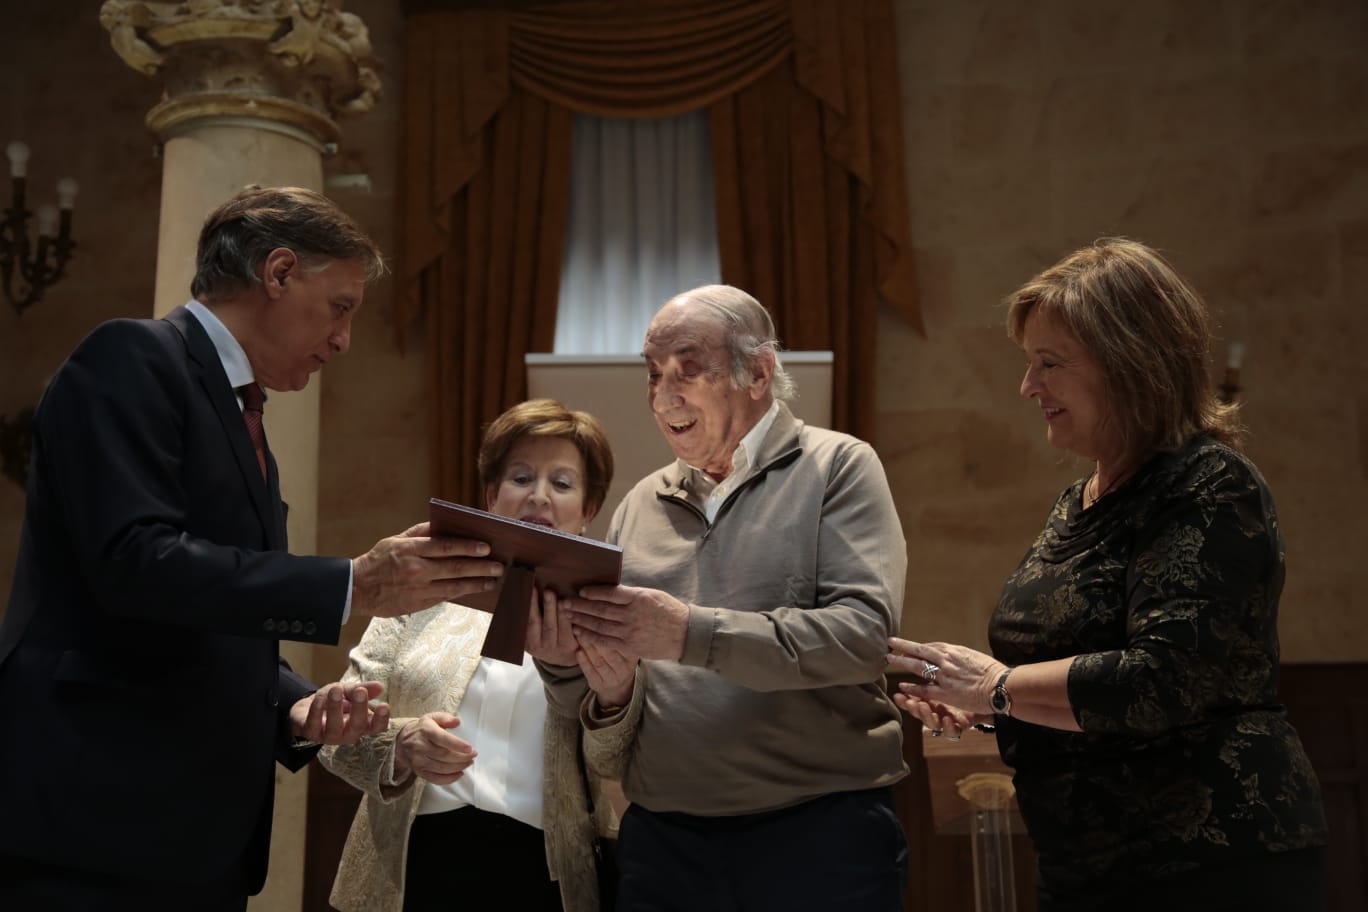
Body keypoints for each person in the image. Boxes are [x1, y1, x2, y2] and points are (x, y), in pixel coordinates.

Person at [0, 186, 504, 909]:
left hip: (193, 836)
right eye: (341, 306)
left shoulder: (246, 414)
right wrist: (352, 585)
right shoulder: (131, 356)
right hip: (97, 818)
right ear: (278, 273)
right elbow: (134, 565)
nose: (343, 340)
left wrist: (293, 707)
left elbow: (205, 620)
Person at [887, 238, 1329, 911]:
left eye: (1050, 364)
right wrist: (986, 712)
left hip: (1208, 865)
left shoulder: (1208, 483)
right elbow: (1080, 685)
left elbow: (1164, 679)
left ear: (1129, 365)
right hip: (1084, 871)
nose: (1028, 387)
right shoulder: (1077, 503)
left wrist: (999, 687)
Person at [540, 285, 910, 911]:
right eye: (653, 375)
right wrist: (562, 661)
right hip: (663, 843)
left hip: (819, 834)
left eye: (688, 370)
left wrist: (688, 634)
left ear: (759, 372)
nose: (663, 397)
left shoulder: (839, 466)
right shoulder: (637, 505)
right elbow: (604, 707)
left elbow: (862, 636)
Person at [320, 398, 635, 912]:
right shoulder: (416, 596)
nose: (539, 497)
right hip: (408, 868)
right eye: (520, 477)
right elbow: (337, 736)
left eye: (562, 483)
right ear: (491, 495)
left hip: (544, 877)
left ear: (589, 510)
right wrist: (401, 745)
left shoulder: (610, 621)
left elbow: (621, 759)